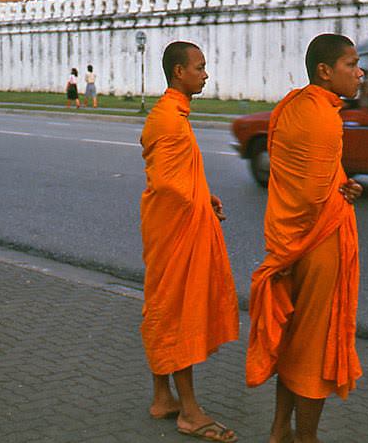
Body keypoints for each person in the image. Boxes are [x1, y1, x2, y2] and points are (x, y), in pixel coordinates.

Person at [246, 33, 365, 443]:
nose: (360, 73)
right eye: (351, 65)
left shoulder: (291, 106)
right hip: (318, 244)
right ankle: (306, 437)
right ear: (325, 71)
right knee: (314, 348)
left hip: (291, 243)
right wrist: (334, 197)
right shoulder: (324, 117)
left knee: (295, 343)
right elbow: (313, 197)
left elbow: (301, 178)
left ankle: (280, 431)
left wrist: (343, 185)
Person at [139, 41, 239, 443]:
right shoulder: (169, 119)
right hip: (174, 232)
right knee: (177, 314)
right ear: (179, 72)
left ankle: (163, 398)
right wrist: (196, 201)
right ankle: (191, 413)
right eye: (199, 67)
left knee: (163, 309)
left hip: (169, 229)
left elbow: (180, 176)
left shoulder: (173, 114)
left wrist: (204, 193)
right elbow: (166, 184)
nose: (205, 73)